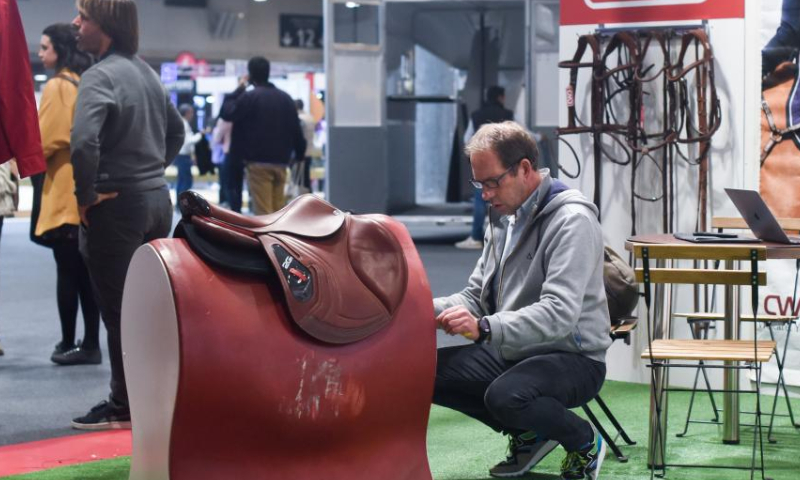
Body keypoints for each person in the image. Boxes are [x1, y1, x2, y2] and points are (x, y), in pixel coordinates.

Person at [433, 121, 611, 480]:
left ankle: (584, 440)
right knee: (423, 375)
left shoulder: (572, 221)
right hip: (516, 348)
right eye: (479, 184)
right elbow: (476, 296)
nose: (485, 194)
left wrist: (484, 328)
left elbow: (559, 314)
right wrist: (417, 308)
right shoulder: (502, 219)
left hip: (574, 357)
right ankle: (530, 434)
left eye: (492, 182)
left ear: (525, 169)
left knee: (506, 396)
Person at [70, 0, 184, 430]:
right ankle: (153, 397)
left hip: (117, 206)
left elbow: (83, 142)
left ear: (107, 26)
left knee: (119, 311)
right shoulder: (146, 72)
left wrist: (85, 195)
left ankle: (124, 404)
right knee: (152, 309)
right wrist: (152, 170)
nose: (75, 24)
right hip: (156, 200)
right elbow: (178, 131)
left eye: (83, 16)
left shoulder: (99, 75)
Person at [36, 23, 102, 366]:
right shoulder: (82, 82)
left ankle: (70, 342)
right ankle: (89, 342)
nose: (40, 53)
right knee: (84, 272)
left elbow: (46, 140)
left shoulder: (57, 85)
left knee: (67, 271)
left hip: (63, 190)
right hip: (82, 187)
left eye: (45, 47)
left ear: (59, 50)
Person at [220, 57, 305, 215]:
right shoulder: (285, 98)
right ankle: (280, 239)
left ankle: (269, 240)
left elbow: (226, 112)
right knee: (279, 211)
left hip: (258, 163)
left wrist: (240, 88)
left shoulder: (250, 97)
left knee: (264, 213)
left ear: (250, 74)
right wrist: (300, 154)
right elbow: (296, 129)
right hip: (281, 163)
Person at [456, 86, 514, 250]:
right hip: (505, 165)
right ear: (501, 97)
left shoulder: (476, 116)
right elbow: (523, 135)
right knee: (509, 199)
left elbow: (468, 139)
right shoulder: (509, 115)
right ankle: (508, 237)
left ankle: (476, 237)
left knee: (481, 200)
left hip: (484, 166)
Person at [173, 104, 203, 198]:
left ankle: (179, 203)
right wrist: (200, 135)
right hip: (183, 156)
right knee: (186, 181)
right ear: (187, 113)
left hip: (181, 155)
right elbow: (188, 141)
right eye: (191, 112)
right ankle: (182, 203)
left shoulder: (180, 122)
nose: (192, 115)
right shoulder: (184, 124)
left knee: (182, 180)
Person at [295, 98, 316, 191]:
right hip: (309, 152)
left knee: (299, 180)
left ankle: (302, 200)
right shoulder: (310, 117)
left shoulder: (299, 118)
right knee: (306, 178)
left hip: (301, 153)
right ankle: (308, 197)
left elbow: (299, 137)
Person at [211, 117, 232, 206]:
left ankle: (225, 200)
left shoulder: (219, 129)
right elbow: (216, 141)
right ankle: (224, 200)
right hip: (222, 158)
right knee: (224, 181)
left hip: (223, 157)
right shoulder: (217, 130)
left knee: (224, 181)